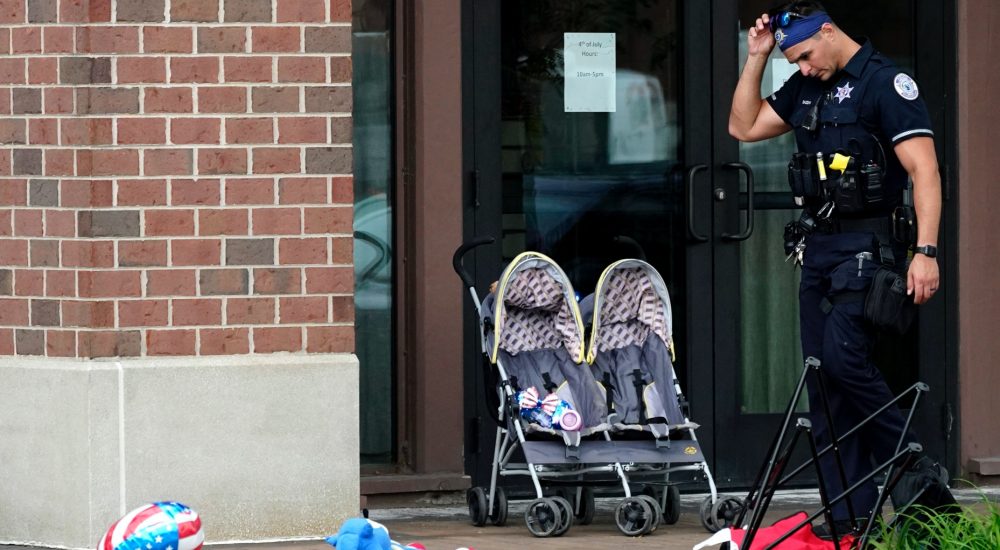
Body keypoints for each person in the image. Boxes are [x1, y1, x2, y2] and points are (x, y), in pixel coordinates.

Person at [728, 0, 944, 539]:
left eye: (804, 55)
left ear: (828, 31)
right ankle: (850, 518)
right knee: (824, 384)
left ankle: (913, 464)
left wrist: (926, 251)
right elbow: (743, 126)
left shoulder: (885, 83)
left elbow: (925, 170)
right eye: (793, 61)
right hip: (819, 250)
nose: (802, 68)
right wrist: (757, 57)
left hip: (868, 250)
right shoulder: (805, 87)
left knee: (845, 361)